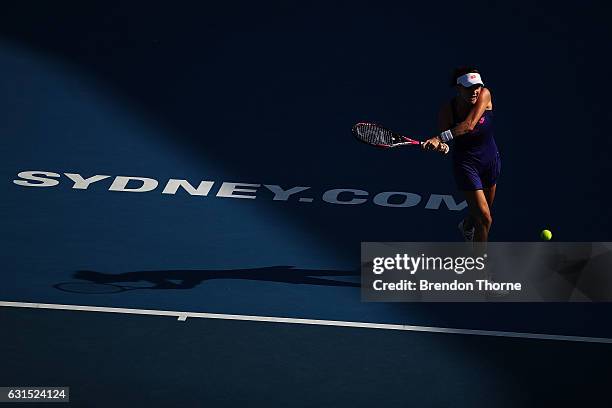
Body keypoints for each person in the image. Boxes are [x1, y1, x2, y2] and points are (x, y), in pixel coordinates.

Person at [423, 67, 500, 242]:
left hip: (490, 160)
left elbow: (468, 125)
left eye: (477, 87)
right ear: (458, 88)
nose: (475, 91)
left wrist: (438, 138)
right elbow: (445, 144)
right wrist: (441, 146)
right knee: (485, 218)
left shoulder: (485, 94)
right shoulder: (447, 111)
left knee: (482, 211)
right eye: (469, 87)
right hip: (467, 165)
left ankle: (466, 226)